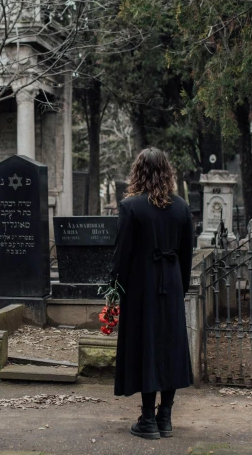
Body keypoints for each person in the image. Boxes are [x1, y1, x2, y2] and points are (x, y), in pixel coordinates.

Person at [110, 148, 194, 440]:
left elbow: (121, 254)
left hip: (141, 286)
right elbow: (187, 254)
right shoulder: (182, 207)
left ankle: (148, 419)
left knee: (145, 344)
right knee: (169, 346)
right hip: (170, 283)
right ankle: (166, 417)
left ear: (139, 171)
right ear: (167, 171)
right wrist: (179, 287)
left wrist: (113, 287)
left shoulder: (131, 206)